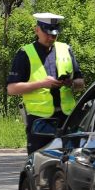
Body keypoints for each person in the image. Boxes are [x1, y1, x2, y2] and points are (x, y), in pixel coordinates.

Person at [7, 12, 86, 152]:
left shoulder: (65, 49)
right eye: (48, 33)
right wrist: (41, 84)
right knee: (40, 165)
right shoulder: (25, 53)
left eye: (55, 34)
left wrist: (70, 83)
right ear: (36, 30)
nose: (51, 38)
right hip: (40, 122)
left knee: (69, 164)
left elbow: (81, 83)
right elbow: (12, 89)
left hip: (66, 119)